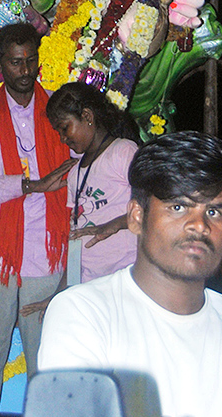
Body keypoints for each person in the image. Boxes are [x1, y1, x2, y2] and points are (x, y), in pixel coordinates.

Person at [38, 131, 222, 417]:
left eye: (215, 211)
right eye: (178, 206)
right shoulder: (82, 312)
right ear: (137, 217)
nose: (199, 225)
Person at [0, 22, 75, 417]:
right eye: (15, 63)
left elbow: (75, 173)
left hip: (46, 252)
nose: (25, 71)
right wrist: (27, 186)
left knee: (47, 355)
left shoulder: (60, 109)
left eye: (31, 61)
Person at [20, 82, 138, 323]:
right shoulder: (75, 173)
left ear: (87, 116)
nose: (63, 139)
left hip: (125, 282)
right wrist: (60, 293)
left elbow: (156, 207)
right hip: (89, 287)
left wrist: (114, 224)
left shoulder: (123, 152)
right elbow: (77, 239)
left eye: (65, 128)